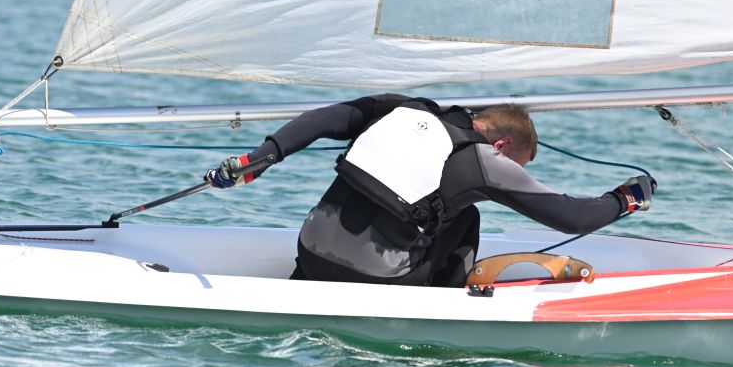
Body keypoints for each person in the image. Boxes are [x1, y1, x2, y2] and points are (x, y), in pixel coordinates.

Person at [204, 94, 655, 287]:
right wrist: (628, 197)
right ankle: (440, 307)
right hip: (376, 279)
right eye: (516, 163)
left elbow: (327, 117)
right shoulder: (483, 161)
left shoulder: (402, 111)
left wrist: (265, 155)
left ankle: (307, 282)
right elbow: (573, 218)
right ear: (501, 145)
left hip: (309, 254)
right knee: (466, 216)